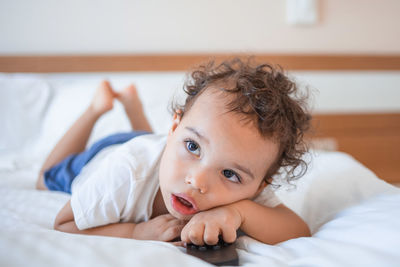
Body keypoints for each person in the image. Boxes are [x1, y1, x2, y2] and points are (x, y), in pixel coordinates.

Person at [36, 58, 311, 246]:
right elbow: (63, 224)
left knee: (152, 144)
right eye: (193, 147)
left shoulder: (245, 186)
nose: (197, 181)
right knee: (45, 179)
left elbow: (297, 229)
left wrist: (238, 213)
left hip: (153, 145)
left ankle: (134, 109)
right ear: (174, 127)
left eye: (229, 173)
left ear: (259, 185)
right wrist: (135, 232)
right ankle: (97, 108)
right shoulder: (125, 170)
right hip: (107, 152)